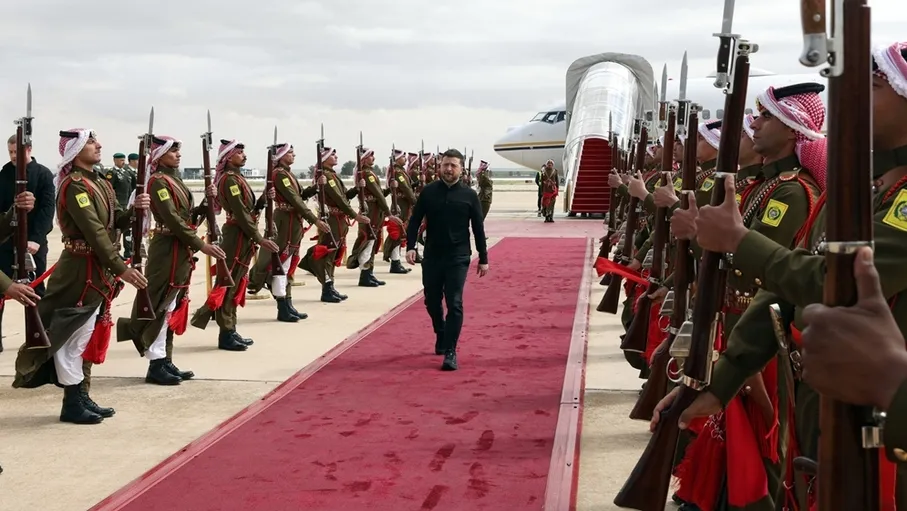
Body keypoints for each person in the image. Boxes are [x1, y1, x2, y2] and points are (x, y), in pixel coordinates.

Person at [656, 45, 907, 508]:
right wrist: (722, 380)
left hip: (885, 416)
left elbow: (833, 282)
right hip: (821, 391)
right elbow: (784, 289)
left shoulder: (802, 192)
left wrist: (735, 241)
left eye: (874, 87)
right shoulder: (864, 192)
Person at [12, 129, 150, 424]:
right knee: (71, 337)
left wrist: (133, 212)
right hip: (80, 271)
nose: (99, 145)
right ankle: (73, 401)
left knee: (84, 335)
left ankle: (80, 395)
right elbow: (95, 232)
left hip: (96, 269)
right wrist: (121, 268)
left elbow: (113, 221)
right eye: (90, 142)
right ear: (74, 150)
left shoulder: (99, 182)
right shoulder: (74, 186)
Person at [116, 135, 227, 384]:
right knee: (161, 303)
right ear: (159, 155)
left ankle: (165, 359)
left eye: (178, 151)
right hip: (167, 249)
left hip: (179, 248)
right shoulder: (158, 182)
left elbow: (186, 217)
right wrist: (201, 245)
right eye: (172, 151)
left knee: (171, 304)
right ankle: (156, 364)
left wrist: (205, 203)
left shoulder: (174, 179)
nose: (178, 155)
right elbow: (173, 220)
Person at [190, 139, 279, 350]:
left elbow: (248, 210)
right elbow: (240, 213)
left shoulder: (237, 178)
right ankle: (225, 332)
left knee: (237, 283)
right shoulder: (230, 180)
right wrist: (259, 237)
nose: (244, 156)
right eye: (239, 153)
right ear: (229, 157)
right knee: (228, 283)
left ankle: (230, 329)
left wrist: (262, 200)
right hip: (236, 236)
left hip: (243, 234)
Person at [406, 148, 489, 371]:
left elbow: (478, 228)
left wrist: (483, 257)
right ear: (440, 167)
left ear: (461, 169)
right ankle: (440, 331)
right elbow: (414, 220)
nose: (449, 169)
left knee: (454, 302)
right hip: (432, 255)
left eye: (453, 165)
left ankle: (451, 350)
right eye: (445, 165)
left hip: (458, 257)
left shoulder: (469, 195)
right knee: (431, 300)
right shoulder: (428, 192)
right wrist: (411, 246)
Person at [248, 142, 327, 321]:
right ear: (281, 155)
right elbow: (294, 200)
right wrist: (314, 219)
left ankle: (287, 303)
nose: (294, 155)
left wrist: (315, 187)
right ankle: (282, 307)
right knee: (280, 265)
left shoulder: (287, 174)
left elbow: (299, 196)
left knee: (287, 265)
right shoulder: (280, 175)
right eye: (290, 152)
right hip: (285, 222)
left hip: (292, 221)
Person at [0, 134, 55, 353]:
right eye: (11, 152)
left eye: (17, 151)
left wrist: (36, 239)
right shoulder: (4, 174)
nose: (14, 156)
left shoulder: (43, 174)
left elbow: (47, 210)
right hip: (5, 243)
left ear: (29, 149)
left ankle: (37, 335)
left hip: (34, 244)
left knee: (35, 290)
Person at [297, 146, 369, 302]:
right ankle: (326, 288)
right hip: (332, 219)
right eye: (332, 155)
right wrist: (355, 215)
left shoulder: (332, 176)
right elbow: (339, 200)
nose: (336, 157)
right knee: (327, 253)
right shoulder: (327, 177)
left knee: (334, 253)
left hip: (339, 219)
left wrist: (357, 189)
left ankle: (330, 286)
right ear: (324, 159)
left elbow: (344, 196)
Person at [346, 147, 400, 286]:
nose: (373, 158)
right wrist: (388, 212)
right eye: (370, 156)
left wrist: (390, 189)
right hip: (372, 212)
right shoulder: (367, 174)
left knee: (372, 241)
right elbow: (378, 195)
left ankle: (369, 273)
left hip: (375, 212)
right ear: (364, 159)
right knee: (369, 241)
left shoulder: (369, 173)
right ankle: (365, 275)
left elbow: (379, 193)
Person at [382, 149, 415, 274]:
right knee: (397, 234)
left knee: (400, 234)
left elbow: (408, 186)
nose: (405, 159)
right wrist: (416, 202)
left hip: (403, 205)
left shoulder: (400, 171)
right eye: (403, 157)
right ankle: (395, 263)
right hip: (400, 206)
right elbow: (406, 189)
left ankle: (396, 262)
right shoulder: (398, 172)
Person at [101, 152, 136, 260]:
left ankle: (128, 251)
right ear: (115, 160)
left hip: (126, 204)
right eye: (121, 160)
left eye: (124, 160)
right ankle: (115, 251)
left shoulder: (126, 173)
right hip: (117, 205)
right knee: (116, 231)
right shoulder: (112, 173)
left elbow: (131, 189)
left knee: (127, 230)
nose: (123, 162)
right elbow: (109, 189)